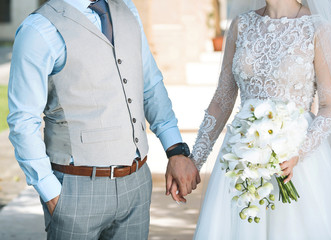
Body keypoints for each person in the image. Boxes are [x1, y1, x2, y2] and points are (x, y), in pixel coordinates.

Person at [7, 0, 200, 239]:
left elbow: (150, 85)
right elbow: (23, 121)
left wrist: (176, 150)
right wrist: (50, 192)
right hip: (75, 190)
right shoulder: (39, 29)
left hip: (136, 186)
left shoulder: (127, 10)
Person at [187, 0, 331, 239]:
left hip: (296, 162)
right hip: (241, 157)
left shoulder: (318, 28)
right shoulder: (241, 25)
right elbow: (222, 100)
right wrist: (194, 160)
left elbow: (330, 106)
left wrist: (301, 151)